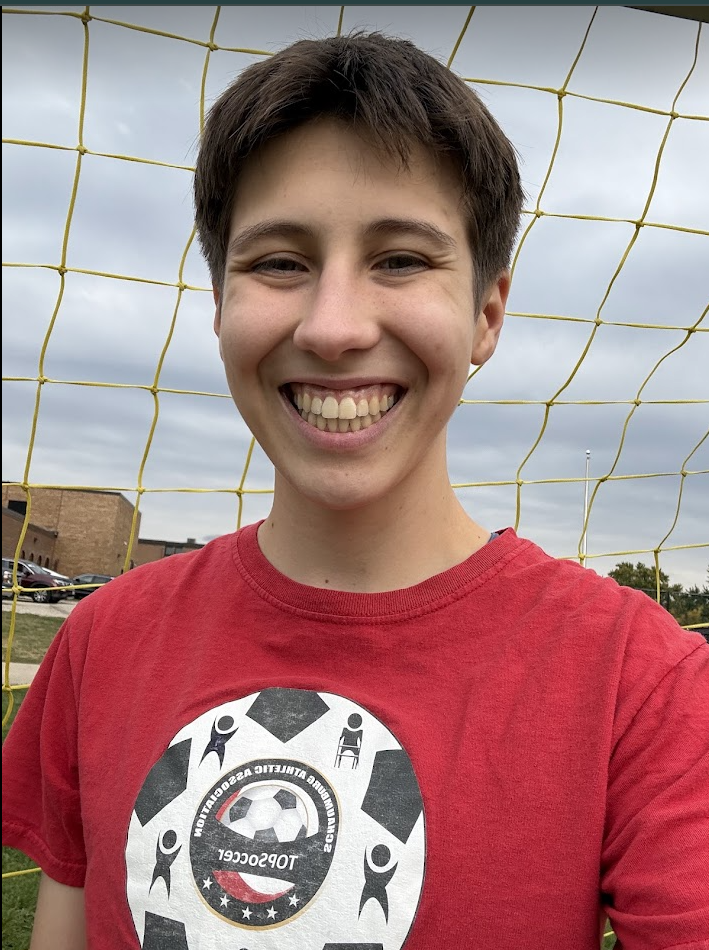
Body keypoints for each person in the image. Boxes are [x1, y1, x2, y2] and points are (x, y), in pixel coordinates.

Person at [2, 31, 708, 950]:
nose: (332, 327)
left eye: (401, 259)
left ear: (486, 313)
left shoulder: (641, 683)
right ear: (218, 306)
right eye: (279, 262)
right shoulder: (101, 642)